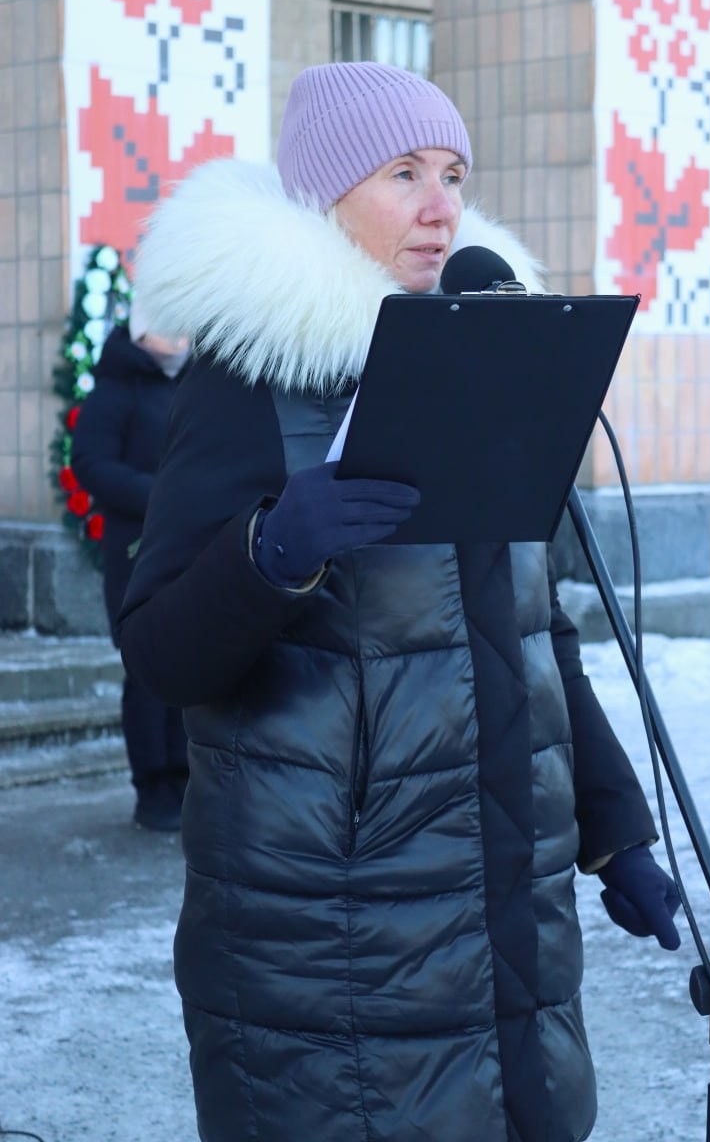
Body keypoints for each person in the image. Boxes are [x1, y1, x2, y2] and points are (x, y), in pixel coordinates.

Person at [118, 61, 681, 1142]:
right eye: (404, 173)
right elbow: (159, 654)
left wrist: (615, 831)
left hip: (504, 914)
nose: (441, 206)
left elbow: (537, 634)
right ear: (325, 195)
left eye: (455, 173)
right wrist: (271, 550)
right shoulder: (247, 383)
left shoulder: (483, 360)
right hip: (328, 947)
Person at [70, 303, 190, 831]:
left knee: (194, 661)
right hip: (135, 545)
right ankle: (154, 787)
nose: (179, 338)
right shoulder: (116, 388)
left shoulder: (196, 385)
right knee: (146, 668)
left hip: (191, 544)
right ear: (142, 332)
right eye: (167, 328)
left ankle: (190, 782)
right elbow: (90, 463)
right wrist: (158, 495)